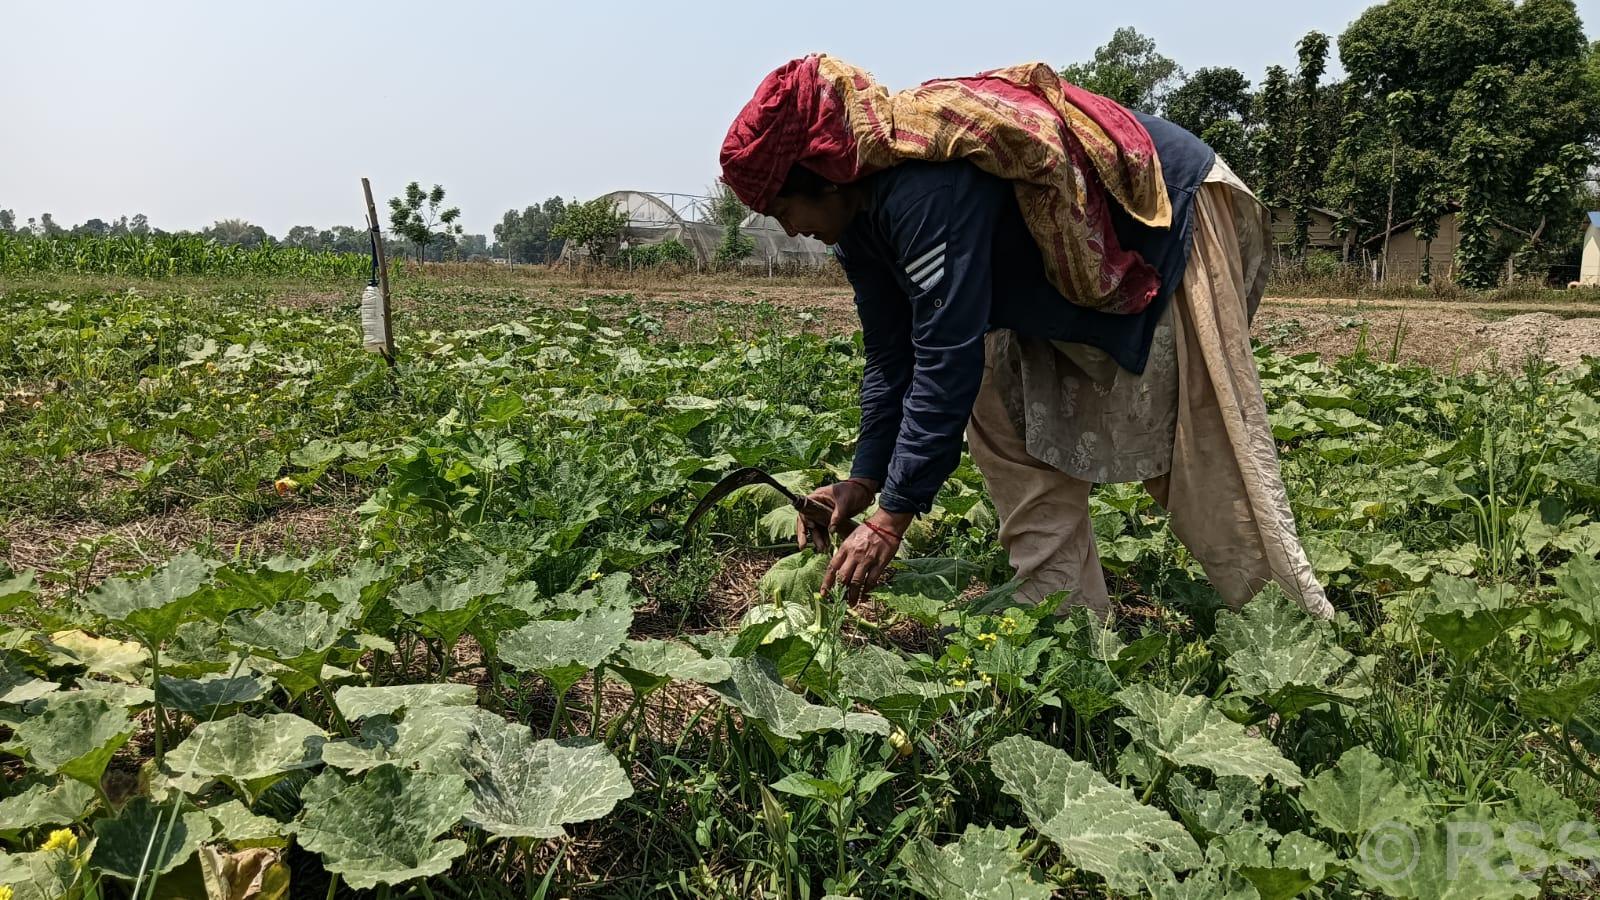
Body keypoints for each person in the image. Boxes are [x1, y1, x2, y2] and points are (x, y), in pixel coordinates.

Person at [719, 55, 1332, 620]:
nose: (790, 230)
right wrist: (864, 480)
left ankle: (1293, 625)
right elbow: (890, 356)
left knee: (1196, 440)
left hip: (1162, 216)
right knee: (1001, 407)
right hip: (1063, 274)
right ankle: (1066, 617)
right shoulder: (857, 224)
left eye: (784, 210)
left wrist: (891, 520)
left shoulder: (922, 189)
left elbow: (944, 358)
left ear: (827, 177)